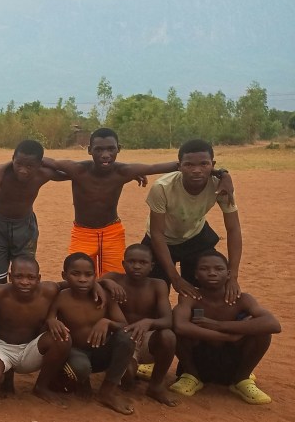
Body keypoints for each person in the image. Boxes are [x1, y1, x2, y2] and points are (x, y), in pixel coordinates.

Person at [41, 128, 184, 277]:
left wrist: (204, 169)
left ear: (119, 149)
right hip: (82, 233)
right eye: (99, 150)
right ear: (89, 150)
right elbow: (46, 161)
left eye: (111, 149)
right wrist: (15, 164)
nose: (105, 155)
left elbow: (155, 168)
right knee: (78, 276)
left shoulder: (123, 171)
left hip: (112, 232)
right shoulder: (77, 170)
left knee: (116, 279)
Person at [171, 250, 280, 405]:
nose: (212, 273)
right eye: (204, 269)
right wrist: (227, 336)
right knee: (173, 325)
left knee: (262, 332)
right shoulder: (190, 297)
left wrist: (218, 325)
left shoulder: (242, 299)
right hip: (198, 360)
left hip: (233, 363)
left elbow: (273, 324)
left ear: (229, 274)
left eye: (219, 269)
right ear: (195, 274)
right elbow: (180, 327)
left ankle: (242, 379)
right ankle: (191, 376)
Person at [142, 139, 241, 303]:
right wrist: (175, 277)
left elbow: (234, 229)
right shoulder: (162, 187)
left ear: (212, 164)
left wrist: (233, 276)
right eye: (188, 165)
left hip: (195, 237)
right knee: (151, 291)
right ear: (179, 166)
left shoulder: (221, 187)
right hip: (161, 239)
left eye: (204, 164)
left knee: (212, 283)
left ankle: (199, 323)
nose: (196, 170)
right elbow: (157, 234)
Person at [0, 255, 71, 407]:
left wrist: (101, 284)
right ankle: (6, 376)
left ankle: (41, 387)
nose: (25, 282)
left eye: (31, 277)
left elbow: (78, 283)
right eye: (19, 276)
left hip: (33, 347)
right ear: (10, 277)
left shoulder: (49, 289)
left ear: (39, 278)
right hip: (2, 347)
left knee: (63, 338)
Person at [48, 253, 136, 415]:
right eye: (76, 274)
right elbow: (48, 318)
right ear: (64, 275)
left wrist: (107, 322)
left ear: (94, 276)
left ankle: (107, 391)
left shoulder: (104, 295)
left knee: (127, 337)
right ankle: (82, 381)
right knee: (80, 367)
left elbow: (124, 325)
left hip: (101, 352)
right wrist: (51, 320)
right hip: (75, 353)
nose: (83, 279)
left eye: (88, 275)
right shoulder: (60, 297)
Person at [0, 140, 65, 283]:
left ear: (40, 165)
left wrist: (5, 165)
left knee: (23, 277)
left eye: (30, 166)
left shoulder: (44, 174)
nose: (23, 170)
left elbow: (74, 173)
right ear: (13, 159)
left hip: (25, 229)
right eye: (18, 164)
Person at [99, 244, 177, 406]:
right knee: (127, 380)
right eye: (131, 261)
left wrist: (149, 321)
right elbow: (91, 286)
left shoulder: (158, 285)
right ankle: (129, 370)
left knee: (168, 336)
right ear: (123, 264)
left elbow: (167, 320)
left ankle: (156, 385)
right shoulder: (114, 278)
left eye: (143, 262)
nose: (136, 266)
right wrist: (106, 282)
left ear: (151, 266)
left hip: (146, 339)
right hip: (122, 339)